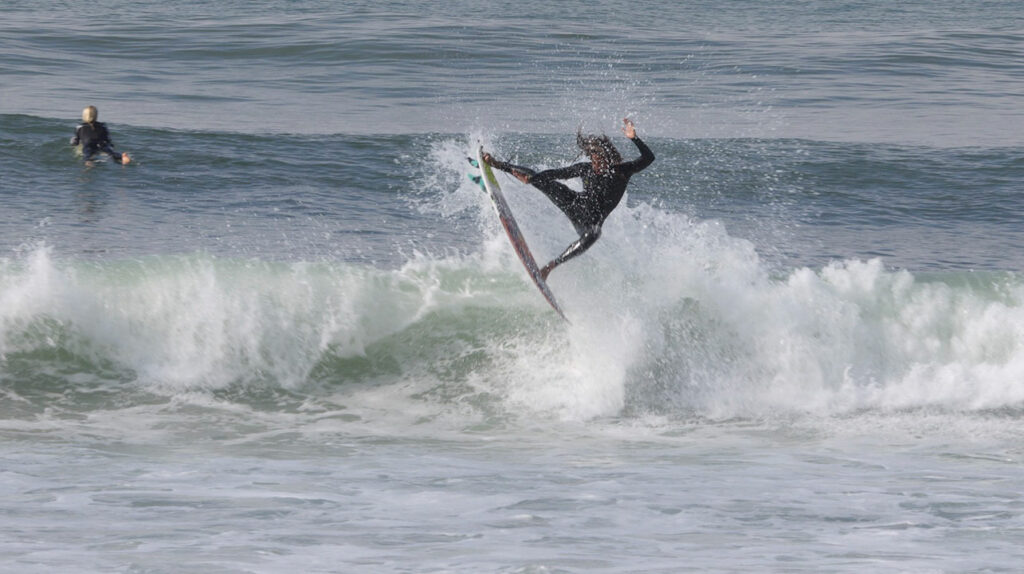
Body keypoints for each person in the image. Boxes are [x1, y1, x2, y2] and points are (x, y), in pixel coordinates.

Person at [483, 118, 654, 280]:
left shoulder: (622, 171)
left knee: (594, 235)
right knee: (539, 178)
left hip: (590, 223)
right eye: (593, 160)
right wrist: (533, 181)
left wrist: (634, 138)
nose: (595, 165)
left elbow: (648, 158)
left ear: (607, 158)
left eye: (599, 161)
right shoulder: (586, 168)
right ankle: (499, 164)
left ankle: (551, 266)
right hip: (574, 204)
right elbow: (556, 174)